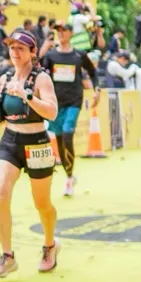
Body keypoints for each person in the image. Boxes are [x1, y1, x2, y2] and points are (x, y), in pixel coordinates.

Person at [0, 28, 60, 278]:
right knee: (1, 193)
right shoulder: (6, 78)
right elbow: (8, 111)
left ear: (32, 52)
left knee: (42, 203)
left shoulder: (41, 78)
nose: (15, 52)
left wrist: (27, 96)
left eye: (20, 48)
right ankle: (7, 256)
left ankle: (50, 245)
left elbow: (52, 112)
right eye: (11, 47)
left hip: (37, 143)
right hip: (10, 141)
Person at [42, 21, 101, 197]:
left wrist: (97, 90)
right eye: (58, 31)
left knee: (68, 135)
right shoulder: (51, 55)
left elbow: (93, 73)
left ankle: (68, 179)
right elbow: (40, 73)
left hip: (73, 101)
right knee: (60, 140)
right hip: (56, 103)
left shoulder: (79, 55)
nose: (60, 33)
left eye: (64, 30)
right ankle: (69, 175)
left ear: (71, 33)